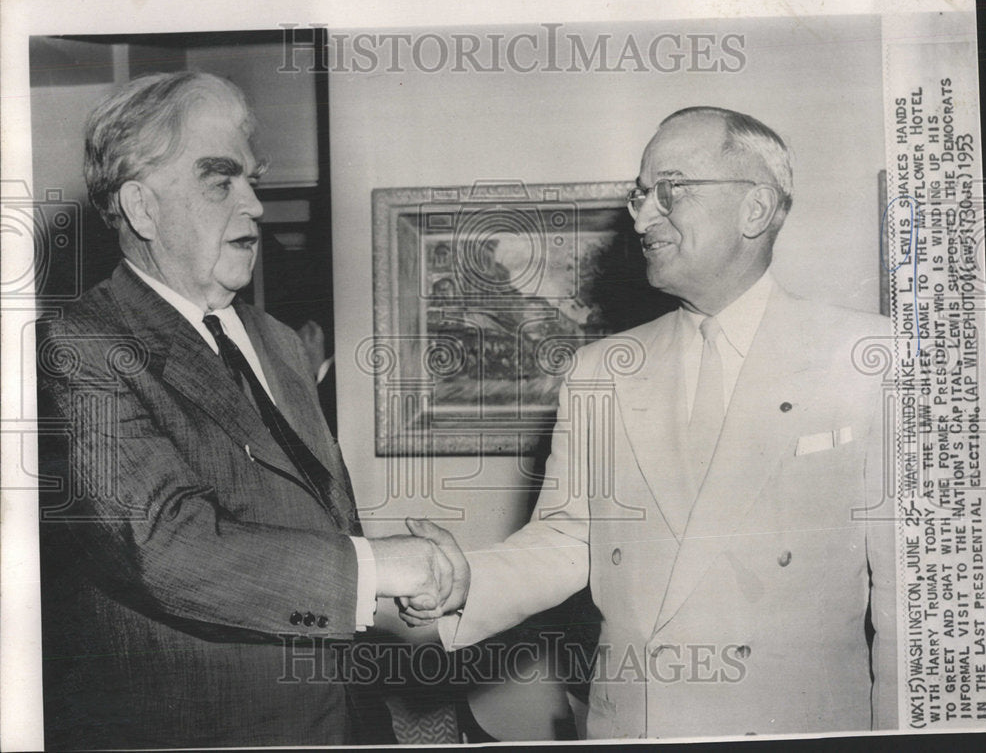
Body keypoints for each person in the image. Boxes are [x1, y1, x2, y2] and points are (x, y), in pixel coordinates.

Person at [401, 107, 898, 739]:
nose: (640, 217)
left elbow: (911, 601)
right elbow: (568, 537)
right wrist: (471, 579)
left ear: (755, 209)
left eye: (671, 189)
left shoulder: (869, 355)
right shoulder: (600, 370)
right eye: (640, 195)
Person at [36, 71, 453, 749]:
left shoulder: (279, 341)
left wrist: (398, 583)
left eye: (252, 180)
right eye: (220, 181)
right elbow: (165, 547)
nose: (255, 204)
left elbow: (319, 522)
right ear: (142, 208)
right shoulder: (78, 348)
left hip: (342, 722)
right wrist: (376, 568)